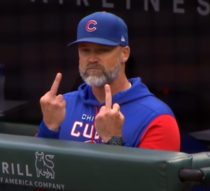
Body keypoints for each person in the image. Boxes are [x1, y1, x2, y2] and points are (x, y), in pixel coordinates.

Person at [36, 11, 180, 151]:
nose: (92, 59)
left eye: (103, 50)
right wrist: (48, 128)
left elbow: (149, 176)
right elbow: (37, 170)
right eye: (85, 50)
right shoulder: (62, 106)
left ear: (124, 54)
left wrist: (114, 142)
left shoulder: (156, 117)